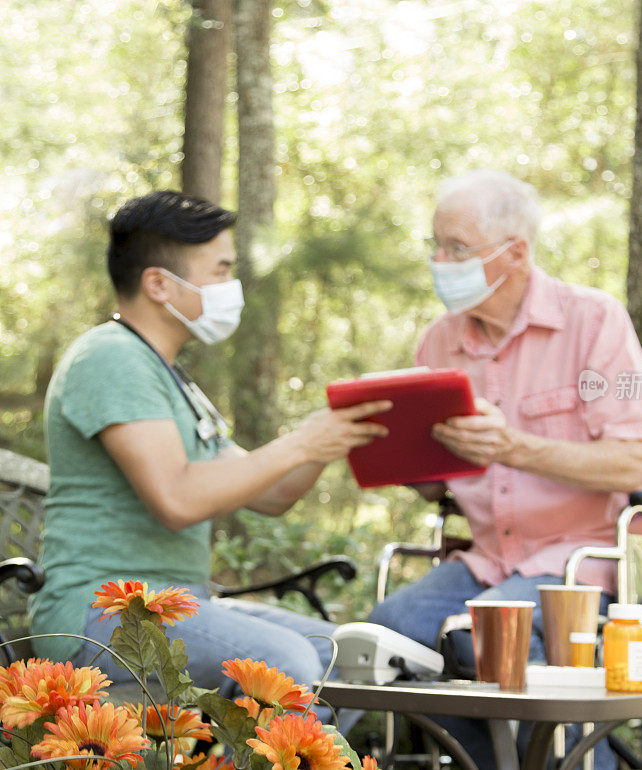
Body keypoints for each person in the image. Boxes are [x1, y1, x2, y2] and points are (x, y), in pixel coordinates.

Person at [30, 191, 390, 698]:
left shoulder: (171, 379)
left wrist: (328, 439)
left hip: (180, 603)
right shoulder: (110, 358)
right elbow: (176, 500)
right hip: (99, 612)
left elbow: (272, 493)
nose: (231, 286)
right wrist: (303, 441)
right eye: (220, 271)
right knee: (285, 662)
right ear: (158, 283)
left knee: (344, 656)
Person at [368, 169, 642, 768]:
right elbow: (440, 481)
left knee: (479, 635)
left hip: (581, 563)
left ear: (517, 254)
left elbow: (637, 461)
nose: (438, 259)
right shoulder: (438, 341)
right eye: (436, 244)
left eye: (456, 247)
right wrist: (394, 452)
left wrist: (512, 447)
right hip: (487, 560)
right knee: (391, 632)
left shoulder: (594, 321)